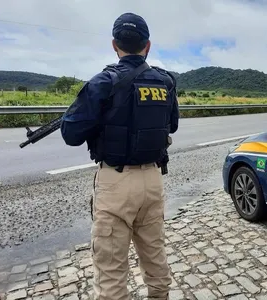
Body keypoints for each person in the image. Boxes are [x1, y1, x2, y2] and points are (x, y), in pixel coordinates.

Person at [60, 12, 179, 300]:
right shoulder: (166, 82)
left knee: (111, 271)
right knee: (155, 254)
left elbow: (70, 134)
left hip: (115, 183)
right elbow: (171, 125)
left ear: (115, 45)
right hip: (153, 181)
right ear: (147, 46)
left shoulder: (103, 82)